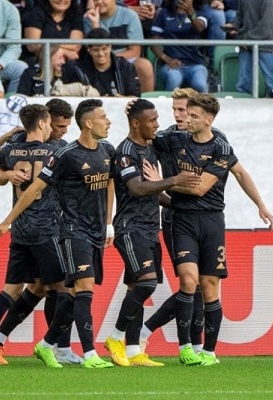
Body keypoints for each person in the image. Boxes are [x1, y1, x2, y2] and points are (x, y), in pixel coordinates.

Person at [135, 88, 273, 357]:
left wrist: (260, 204)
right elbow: (139, 138)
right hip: (177, 217)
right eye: (179, 111)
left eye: (187, 112)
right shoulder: (170, 138)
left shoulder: (219, 144)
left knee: (206, 285)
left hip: (210, 220)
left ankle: (202, 349)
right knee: (189, 282)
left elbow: (232, 175)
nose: (182, 117)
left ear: (207, 119)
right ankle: (182, 345)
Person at [0, 99, 116, 369]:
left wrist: (109, 223)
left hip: (96, 232)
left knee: (70, 292)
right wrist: (7, 221)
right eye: (103, 117)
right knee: (83, 288)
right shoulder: (67, 154)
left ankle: (47, 344)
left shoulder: (108, 150)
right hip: (71, 231)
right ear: (88, 123)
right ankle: (89, 354)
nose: (108, 122)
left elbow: (110, 184)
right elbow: (34, 188)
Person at [104, 99, 202, 367]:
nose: (157, 125)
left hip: (149, 228)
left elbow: (153, 192)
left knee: (137, 287)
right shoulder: (125, 152)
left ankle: (134, 351)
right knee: (146, 283)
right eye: (152, 120)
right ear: (136, 123)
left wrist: (180, 205)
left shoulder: (149, 148)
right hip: (130, 227)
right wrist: (174, 180)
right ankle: (115, 336)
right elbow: (137, 188)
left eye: (158, 119)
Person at [84, 0, 154, 92]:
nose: (99, 2)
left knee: (144, 65)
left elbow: (135, 52)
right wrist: (95, 24)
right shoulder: (89, 18)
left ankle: (146, 100)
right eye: (95, 0)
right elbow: (96, 49)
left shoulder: (130, 15)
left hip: (124, 59)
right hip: (98, 59)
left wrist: (111, 58)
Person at [224, 0, 273, 96]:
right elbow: (240, 16)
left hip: (266, 46)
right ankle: (243, 106)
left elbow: (267, 26)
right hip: (247, 46)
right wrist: (234, 25)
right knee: (243, 85)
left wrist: (246, 39)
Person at [150, 0, 209, 93]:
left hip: (196, 64)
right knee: (174, 79)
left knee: (200, 84)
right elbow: (153, 44)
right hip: (171, 64)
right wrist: (167, 59)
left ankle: (203, 103)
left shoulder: (200, 14)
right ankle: (170, 102)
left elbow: (199, 28)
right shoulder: (164, 13)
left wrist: (191, 14)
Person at [72, 28, 140, 96]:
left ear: (110, 47)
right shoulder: (79, 70)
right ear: (89, 50)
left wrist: (121, 99)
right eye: (96, 50)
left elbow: (135, 96)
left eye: (104, 49)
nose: (100, 54)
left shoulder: (126, 67)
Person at [21, 0, 83, 66]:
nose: (62, 0)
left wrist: (48, 45)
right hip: (38, 62)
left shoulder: (75, 15)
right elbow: (33, 46)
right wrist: (63, 51)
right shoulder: (37, 13)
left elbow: (75, 45)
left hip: (65, 62)